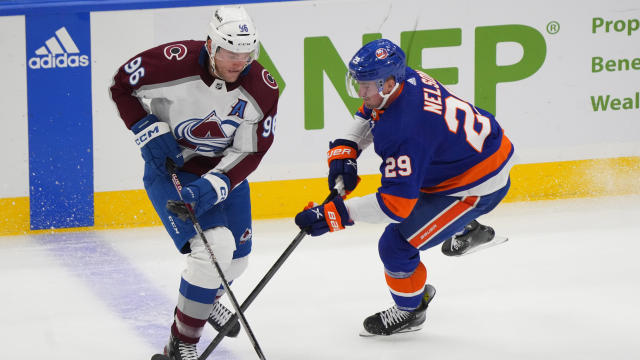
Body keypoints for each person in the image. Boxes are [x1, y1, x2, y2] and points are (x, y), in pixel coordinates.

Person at [295, 39, 515, 336]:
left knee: (395, 245)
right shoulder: (405, 79)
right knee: (416, 180)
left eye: (367, 86)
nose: (361, 93)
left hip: (476, 185)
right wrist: (347, 147)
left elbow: (396, 205)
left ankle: (411, 309)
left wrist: (334, 215)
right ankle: (465, 228)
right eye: (358, 84)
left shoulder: (405, 131)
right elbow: (370, 111)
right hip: (468, 156)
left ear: (388, 83)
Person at [110, 6, 279, 359]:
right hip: (171, 168)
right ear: (211, 46)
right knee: (213, 250)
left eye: (247, 54)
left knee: (237, 261)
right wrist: (145, 129)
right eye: (231, 53)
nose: (239, 62)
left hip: (221, 172)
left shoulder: (261, 89)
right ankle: (181, 342)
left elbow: (253, 150)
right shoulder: (170, 64)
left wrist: (217, 183)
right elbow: (121, 86)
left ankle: (204, 301)